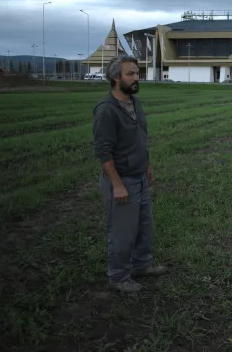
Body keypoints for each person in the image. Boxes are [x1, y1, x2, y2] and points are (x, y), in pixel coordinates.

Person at [93, 54, 166, 293]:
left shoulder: (135, 103)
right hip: (122, 180)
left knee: (144, 226)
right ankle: (119, 276)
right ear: (116, 78)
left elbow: (140, 138)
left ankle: (142, 265)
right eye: (131, 74)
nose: (137, 78)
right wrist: (117, 185)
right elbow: (104, 152)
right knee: (122, 232)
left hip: (140, 176)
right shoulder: (106, 110)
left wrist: (148, 164)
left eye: (137, 73)